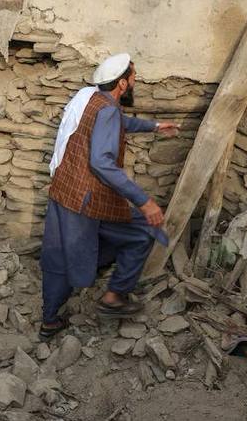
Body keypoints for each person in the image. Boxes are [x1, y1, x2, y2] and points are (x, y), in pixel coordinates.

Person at [38, 53, 179, 340]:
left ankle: (49, 320)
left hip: (64, 191)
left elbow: (116, 123)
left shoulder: (90, 98)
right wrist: (144, 201)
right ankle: (113, 297)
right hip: (87, 200)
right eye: (134, 78)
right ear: (123, 84)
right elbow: (101, 162)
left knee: (59, 253)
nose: (135, 82)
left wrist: (153, 126)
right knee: (144, 230)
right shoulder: (108, 111)